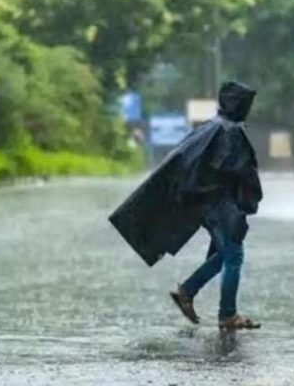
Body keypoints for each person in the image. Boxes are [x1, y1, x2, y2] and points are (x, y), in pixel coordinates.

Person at [109, 81, 262, 330]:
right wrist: (248, 198)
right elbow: (239, 170)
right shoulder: (230, 131)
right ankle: (225, 313)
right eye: (248, 103)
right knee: (234, 254)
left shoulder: (210, 127)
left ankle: (189, 292)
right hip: (220, 204)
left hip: (207, 204)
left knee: (225, 253)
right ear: (239, 103)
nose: (250, 108)